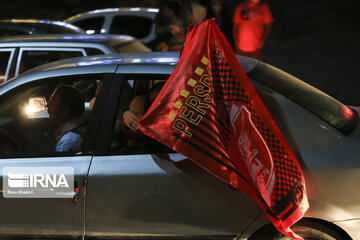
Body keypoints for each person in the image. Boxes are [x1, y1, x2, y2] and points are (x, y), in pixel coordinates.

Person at [47, 84, 85, 152]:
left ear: (64, 111)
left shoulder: (67, 143)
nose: (47, 105)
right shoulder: (78, 132)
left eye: (52, 102)